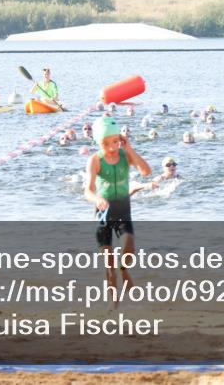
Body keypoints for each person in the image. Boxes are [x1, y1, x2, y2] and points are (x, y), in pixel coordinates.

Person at [82, 116, 152, 306]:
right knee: (108, 265)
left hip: (123, 211)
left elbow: (146, 171)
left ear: (120, 139)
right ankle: (114, 306)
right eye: (106, 144)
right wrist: (97, 199)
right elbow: (87, 190)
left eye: (115, 142)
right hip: (103, 214)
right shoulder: (95, 160)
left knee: (129, 248)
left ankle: (124, 270)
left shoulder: (124, 155)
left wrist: (129, 149)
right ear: (98, 142)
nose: (112, 147)